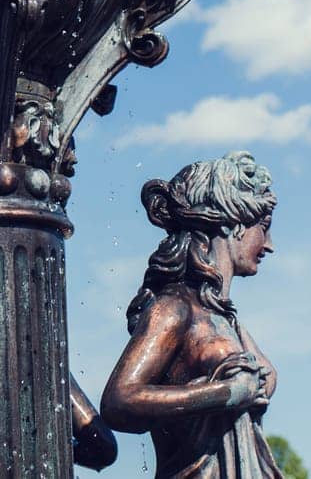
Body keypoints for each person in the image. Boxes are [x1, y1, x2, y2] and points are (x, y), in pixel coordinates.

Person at [101, 151, 283, 478]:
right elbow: (119, 400)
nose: (268, 244)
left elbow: (264, 379)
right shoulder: (174, 309)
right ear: (232, 224)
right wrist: (223, 394)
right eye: (263, 227)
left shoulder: (224, 317)